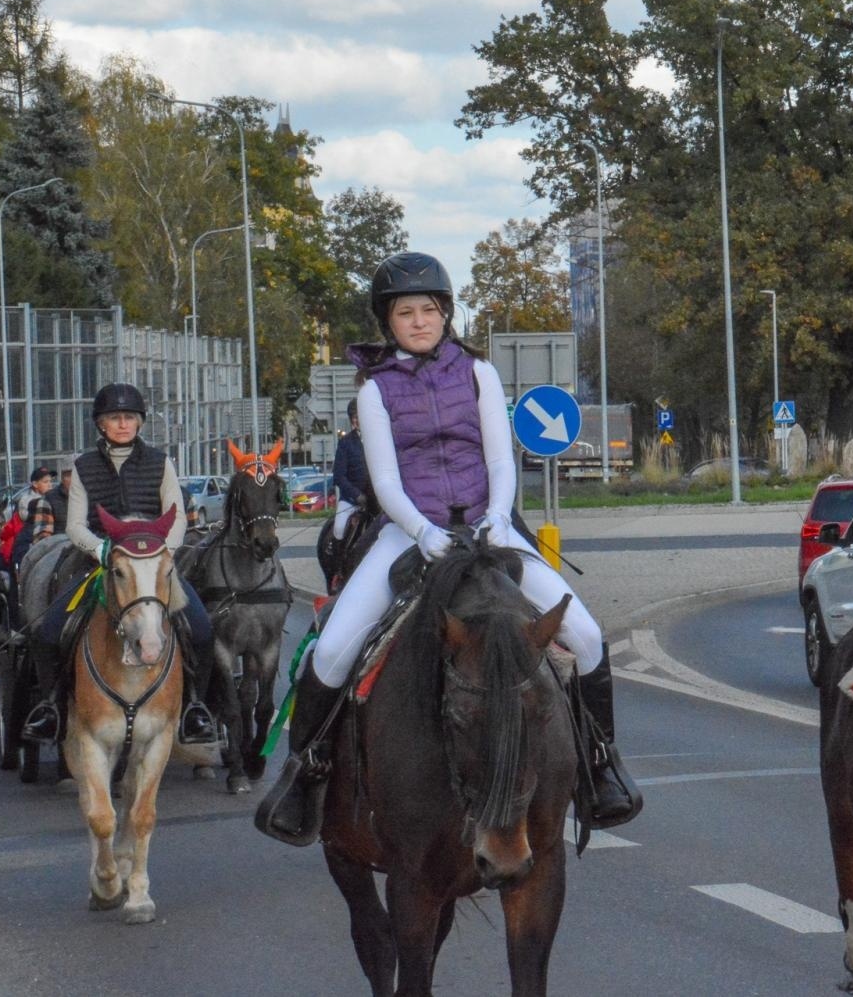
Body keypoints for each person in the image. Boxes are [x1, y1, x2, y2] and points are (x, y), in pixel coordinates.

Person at [257, 251, 639, 846]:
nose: (417, 321)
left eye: (428, 310)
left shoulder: (479, 372)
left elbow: (498, 458)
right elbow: (384, 480)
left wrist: (494, 518)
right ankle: (303, 776)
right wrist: (421, 531)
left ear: (446, 313)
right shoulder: (374, 390)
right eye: (405, 312)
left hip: (490, 528)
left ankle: (600, 765)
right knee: (330, 651)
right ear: (389, 322)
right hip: (411, 532)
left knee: (586, 636)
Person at [20, 383, 217, 746]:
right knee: (51, 631)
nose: (122, 424)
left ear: (140, 423)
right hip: (100, 562)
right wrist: (102, 551)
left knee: (202, 630)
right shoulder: (83, 466)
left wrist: (162, 554)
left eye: (129, 417)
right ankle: (51, 708)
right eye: (114, 418)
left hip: (153, 564)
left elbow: (176, 518)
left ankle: (194, 708)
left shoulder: (161, 463)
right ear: (101, 424)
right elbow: (75, 525)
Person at [329, 398, 374, 541]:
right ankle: (338, 559)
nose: (357, 420)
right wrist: (356, 495)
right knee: (339, 528)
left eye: (360, 416)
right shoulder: (345, 443)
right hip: (352, 500)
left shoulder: (378, 439)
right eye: (354, 418)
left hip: (377, 500)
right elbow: (339, 476)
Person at [10, 466, 58, 572]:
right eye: (45, 482)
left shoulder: (55, 499)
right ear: (35, 484)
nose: (50, 485)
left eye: (51, 481)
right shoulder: (29, 503)